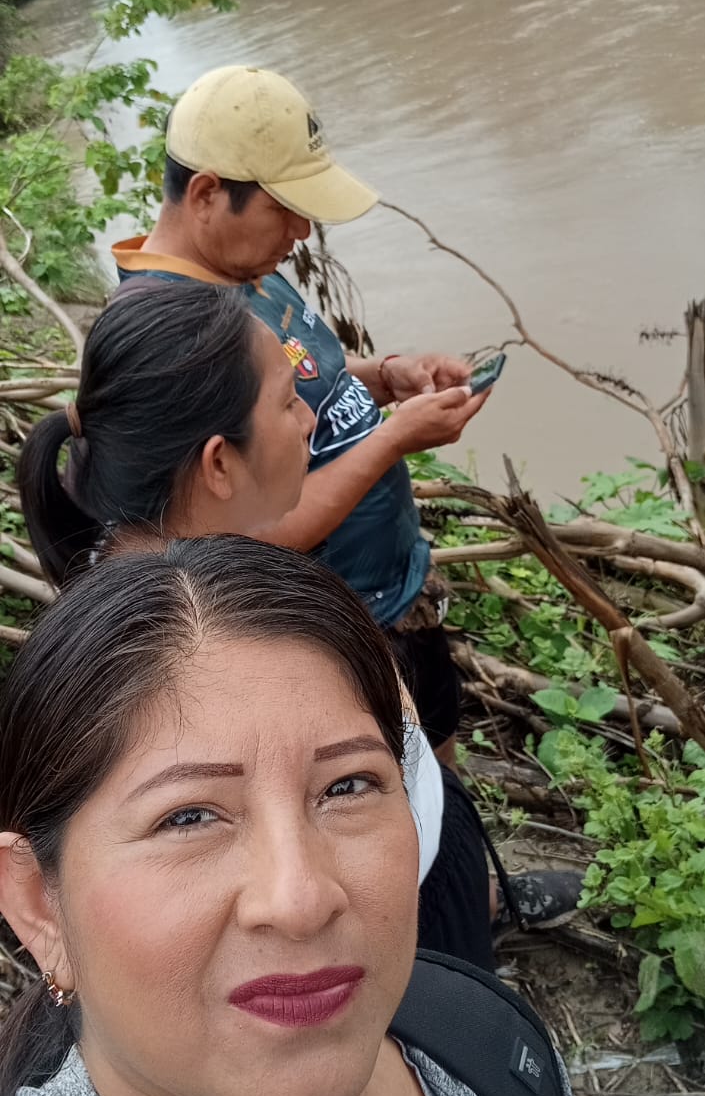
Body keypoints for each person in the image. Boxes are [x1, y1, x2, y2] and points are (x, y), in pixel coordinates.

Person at [0, 537, 621, 1096]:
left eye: (347, 785)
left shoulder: (479, 1038)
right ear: (38, 905)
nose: (300, 900)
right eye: (187, 816)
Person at [17, 283, 578, 971]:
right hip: (397, 929)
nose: (311, 419)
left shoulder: (162, 573)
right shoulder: (211, 653)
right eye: (288, 403)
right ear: (219, 463)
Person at [110, 63, 489, 768]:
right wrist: (395, 440)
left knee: (443, 781)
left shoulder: (246, 267)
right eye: (283, 207)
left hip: (396, 594)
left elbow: (309, 378)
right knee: (390, 801)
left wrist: (388, 376)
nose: (303, 229)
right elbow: (249, 530)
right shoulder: (177, 337)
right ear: (207, 195)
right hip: (334, 635)